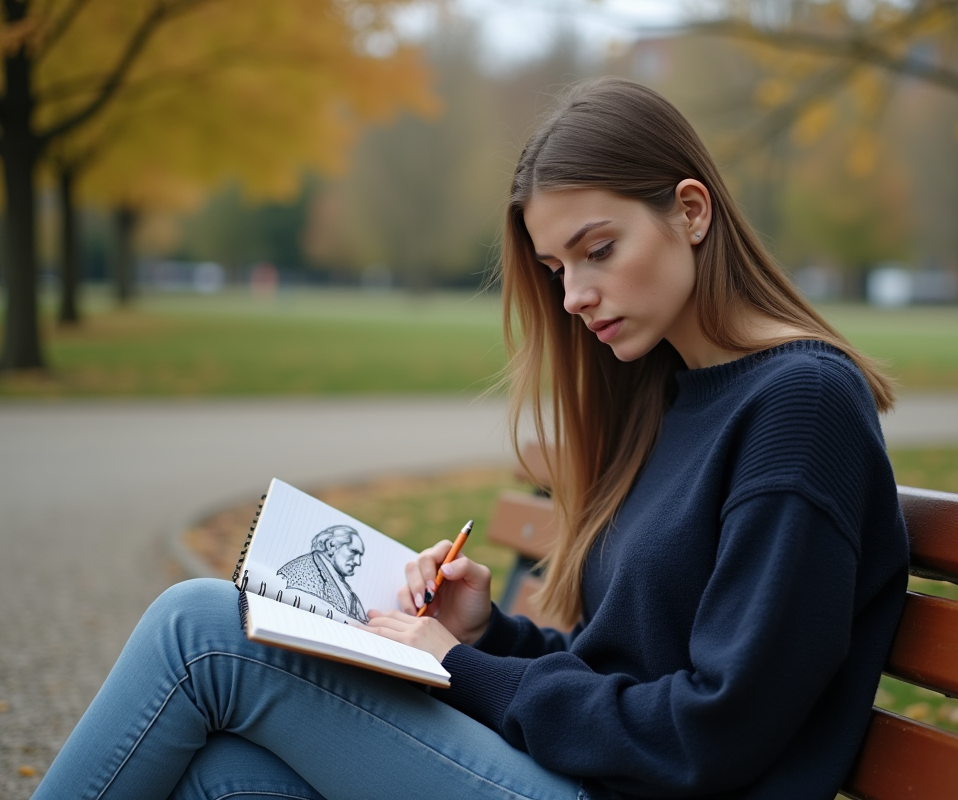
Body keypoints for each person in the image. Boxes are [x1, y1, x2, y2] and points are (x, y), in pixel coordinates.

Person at [33, 77, 908, 800]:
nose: (573, 297)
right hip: (588, 777)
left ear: (690, 211)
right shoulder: (672, 399)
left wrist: (463, 670)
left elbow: (712, 732)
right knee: (225, 778)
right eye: (558, 269)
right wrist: (489, 635)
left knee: (203, 632)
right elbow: (629, 671)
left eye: (597, 249)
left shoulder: (802, 407)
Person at [277, 525, 369, 623]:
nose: (358, 562)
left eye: (360, 555)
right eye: (353, 552)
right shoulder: (303, 570)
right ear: (331, 546)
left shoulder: (342, 585)